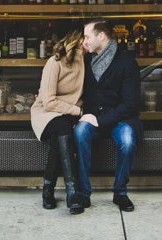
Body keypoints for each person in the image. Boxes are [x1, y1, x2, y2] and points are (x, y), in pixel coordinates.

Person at [73, 19, 142, 212]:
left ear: (101, 36)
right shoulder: (85, 60)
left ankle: (120, 192)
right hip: (91, 116)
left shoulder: (127, 62)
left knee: (127, 141)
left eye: (87, 36)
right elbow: (70, 85)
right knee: (80, 133)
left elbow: (130, 104)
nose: (83, 41)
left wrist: (101, 120)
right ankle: (83, 194)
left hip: (120, 119)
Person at [30, 29, 85, 215]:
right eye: (85, 38)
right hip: (46, 113)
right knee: (62, 129)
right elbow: (49, 102)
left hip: (68, 114)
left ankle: (48, 190)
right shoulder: (54, 63)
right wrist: (78, 111)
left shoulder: (87, 61)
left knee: (58, 141)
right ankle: (71, 192)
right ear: (77, 41)